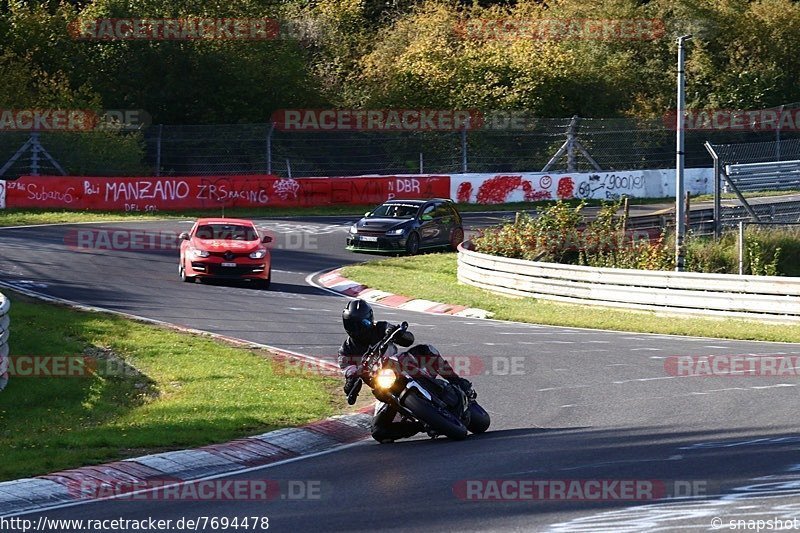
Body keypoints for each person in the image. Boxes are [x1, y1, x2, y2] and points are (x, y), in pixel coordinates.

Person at [338, 299, 473, 443]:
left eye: (362, 323)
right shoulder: (346, 350)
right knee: (379, 431)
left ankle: (457, 381)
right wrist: (351, 381)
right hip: (384, 388)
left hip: (400, 365)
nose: (357, 329)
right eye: (351, 324)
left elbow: (408, 340)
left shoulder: (381, 327)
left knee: (426, 350)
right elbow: (348, 372)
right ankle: (422, 424)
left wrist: (397, 333)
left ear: (370, 319)